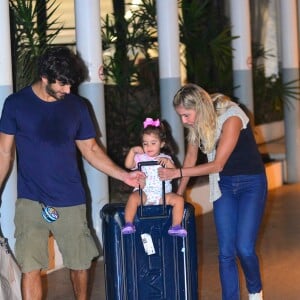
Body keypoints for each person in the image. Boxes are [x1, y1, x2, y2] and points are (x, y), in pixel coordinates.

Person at [0, 46, 144, 300]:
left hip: (70, 197)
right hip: (31, 200)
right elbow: (4, 153)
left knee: (80, 263)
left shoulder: (77, 106)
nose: (68, 90)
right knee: (30, 266)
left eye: (70, 84)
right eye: (63, 84)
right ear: (45, 77)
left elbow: (90, 149)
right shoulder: (15, 105)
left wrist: (124, 175)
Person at [158, 84, 267, 300]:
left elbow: (217, 164)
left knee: (244, 248)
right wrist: (179, 193)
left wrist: (176, 172)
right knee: (226, 252)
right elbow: (190, 158)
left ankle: (255, 291)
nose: (184, 121)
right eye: (180, 116)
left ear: (199, 107)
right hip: (224, 186)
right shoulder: (198, 123)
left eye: (186, 115)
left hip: (251, 185)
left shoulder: (232, 116)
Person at [121, 117, 187, 237]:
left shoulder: (165, 158)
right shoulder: (141, 157)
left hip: (162, 194)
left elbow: (174, 173)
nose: (148, 147)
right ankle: (128, 223)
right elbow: (128, 165)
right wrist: (132, 151)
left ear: (162, 144)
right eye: (145, 143)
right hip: (144, 192)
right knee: (133, 198)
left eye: (153, 143)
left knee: (179, 200)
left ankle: (176, 226)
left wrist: (167, 163)